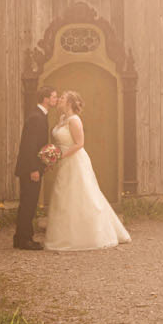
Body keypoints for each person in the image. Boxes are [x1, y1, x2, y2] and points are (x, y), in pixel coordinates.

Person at [44, 90, 131, 251]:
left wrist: (60, 155)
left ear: (69, 102)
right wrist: (54, 154)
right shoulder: (62, 119)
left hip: (75, 160)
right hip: (64, 161)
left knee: (82, 194)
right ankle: (64, 235)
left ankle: (93, 234)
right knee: (64, 194)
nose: (59, 100)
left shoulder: (75, 120)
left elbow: (79, 144)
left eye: (62, 98)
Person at [14, 85, 59, 250]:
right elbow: (29, 146)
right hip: (29, 169)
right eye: (54, 97)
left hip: (33, 167)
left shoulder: (40, 115)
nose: (56, 99)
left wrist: (44, 164)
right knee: (29, 204)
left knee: (28, 203)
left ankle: (20, 238)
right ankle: (25, 240)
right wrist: (34, 169)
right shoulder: (36, 118)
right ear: (46, 99)